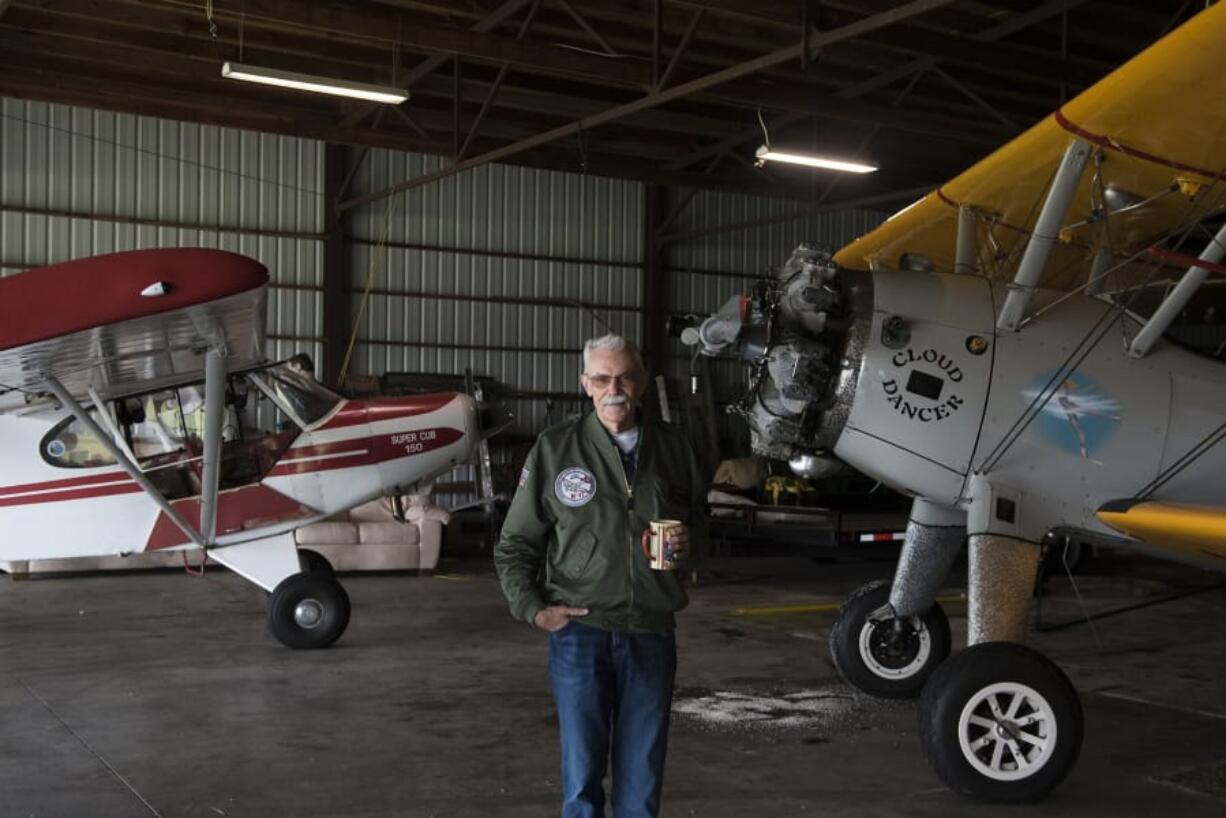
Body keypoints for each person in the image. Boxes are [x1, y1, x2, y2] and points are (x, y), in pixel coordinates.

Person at [495, 333, 707, 818]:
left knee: (643, 777)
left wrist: (690, 549)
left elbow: (700, 524)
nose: (615, 388)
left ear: (642, 383)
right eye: (602, 378)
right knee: (582, 779)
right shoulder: (556, 449)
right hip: (580, 634)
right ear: (585, 385)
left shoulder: (675, 448)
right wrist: (532, 608)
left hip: (651, 633)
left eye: (625, 377)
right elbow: (515, 544)